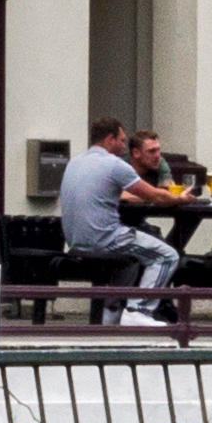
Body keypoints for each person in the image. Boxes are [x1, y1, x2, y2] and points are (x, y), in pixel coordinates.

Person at [56, 115, 186, 320]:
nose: (124, 145)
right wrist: (182, 199)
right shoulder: (115, 165)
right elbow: (155, 196)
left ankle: (112, 312)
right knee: (168, 255)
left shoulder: (75, 162)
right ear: (109, 139)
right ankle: (139, 311)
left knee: (131, 259)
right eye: (122, 140)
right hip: (104, 239)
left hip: (75, 243)